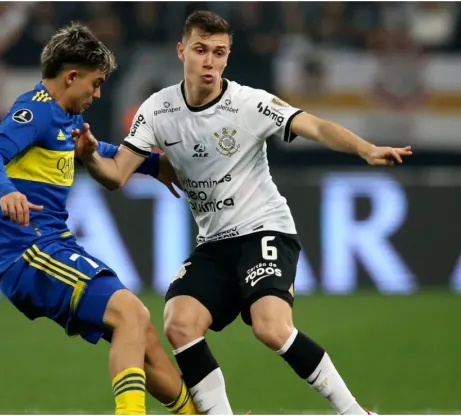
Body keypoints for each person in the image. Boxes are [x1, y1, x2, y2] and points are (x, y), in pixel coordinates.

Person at [74, 10, 414, 416]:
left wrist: (365, 148)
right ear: (181, 51)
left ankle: (355, 413)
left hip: (264, 229)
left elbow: (316, 127)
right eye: (201, 50)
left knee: (270, 327)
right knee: (179, 322)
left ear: (227, 57)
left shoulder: (249, 104)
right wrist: (91, 156)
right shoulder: (158, 110)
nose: (210, 61)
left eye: (219, 53)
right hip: (214, 243)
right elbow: (116, 176)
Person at [0, 23, 196, 416]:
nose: (97, 94)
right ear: (71, 76)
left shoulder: (65, 119)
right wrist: (6, 191)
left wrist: (153, 165)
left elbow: (103, 149)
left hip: (56, 246)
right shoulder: (36, 111)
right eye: (94, 84)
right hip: (28, 252)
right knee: (132, 313)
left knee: (140, 333)